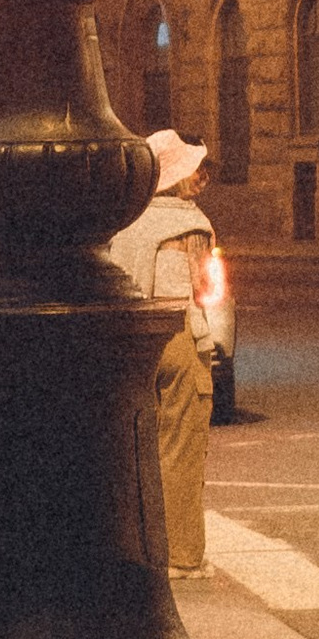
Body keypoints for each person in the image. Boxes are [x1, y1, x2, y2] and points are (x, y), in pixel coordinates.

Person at [105, 127, 217, 576]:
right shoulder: (192, 222)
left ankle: (133, 548)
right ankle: (182, 557)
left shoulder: (121, 221)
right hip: (179, 337)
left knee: (133, 448)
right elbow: (205, 288)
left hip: (129, 340)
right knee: (180, 448)